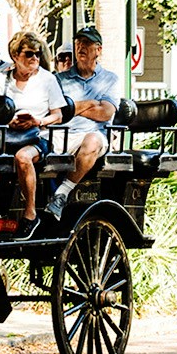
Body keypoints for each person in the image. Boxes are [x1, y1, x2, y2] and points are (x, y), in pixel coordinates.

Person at [0, 29, 67, 239]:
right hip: (6, 134)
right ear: (15, 56)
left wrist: (37, 121)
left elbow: (57, 115)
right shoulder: (2, 78)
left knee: (22, 157)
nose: (34, 58)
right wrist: (8, 120)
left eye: (38, 54)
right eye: (29, 54)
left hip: (38, 136)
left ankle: (30, 214)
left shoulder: (47, 79)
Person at [44, 25, 120, 221]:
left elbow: (105, 113)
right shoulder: (59, 79)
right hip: (60, 134)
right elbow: (59, 112)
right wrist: (90, 104)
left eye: (87, 43)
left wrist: (73, 108)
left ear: (98, 50)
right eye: (78, 43)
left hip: (92, 136)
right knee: (33, 144)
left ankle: (61, 193)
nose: (81, 48)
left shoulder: (110, 79)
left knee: (93, 141)